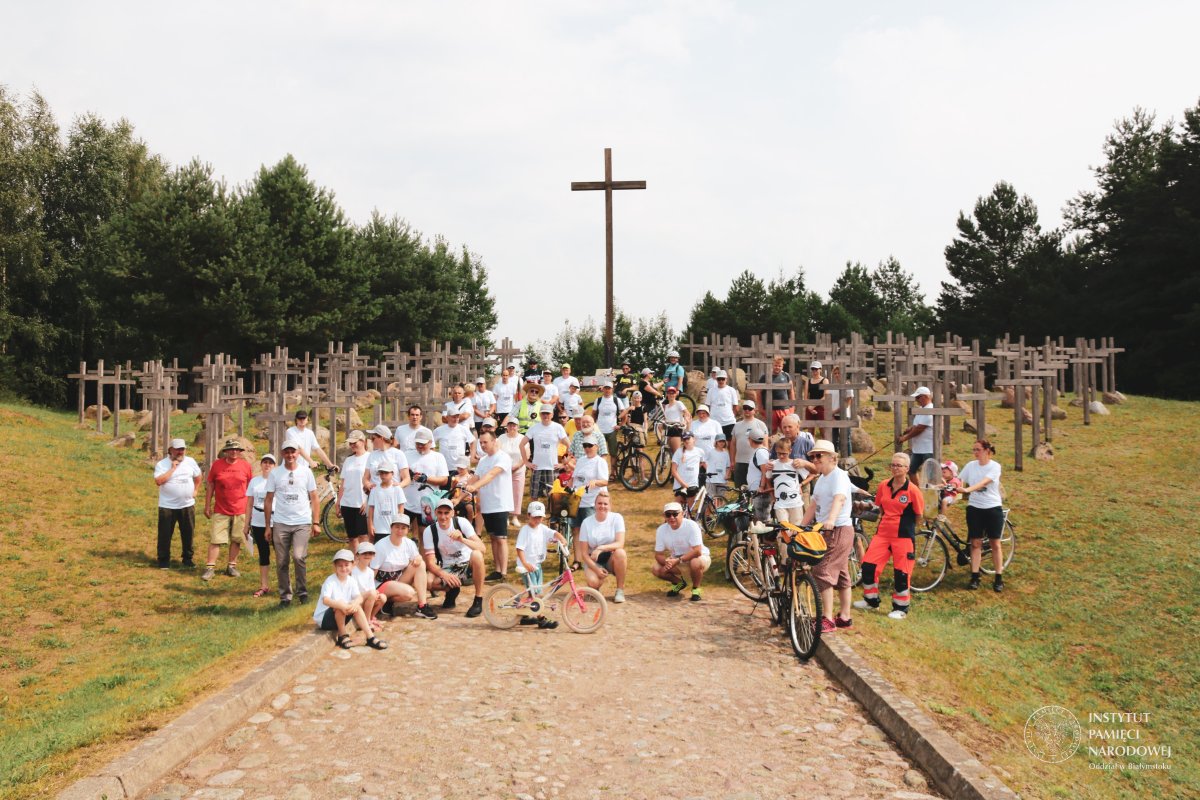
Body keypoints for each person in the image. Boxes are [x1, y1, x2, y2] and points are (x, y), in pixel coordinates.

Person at [854, 451, 924, 619]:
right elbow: (878, 506)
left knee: (902, 573)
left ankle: (901, 608)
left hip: (903, 536)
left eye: (899, 465)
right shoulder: (884, 485)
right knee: (868, 566)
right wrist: (863, 505)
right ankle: (871, 601)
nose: (895, 468)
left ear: (907, 468)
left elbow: (919, 515)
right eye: (892, 465)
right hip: (883, 533)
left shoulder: (913, 490)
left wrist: (908, 528)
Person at [800, 439, 856, 633]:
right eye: (813, 456)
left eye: (819, 455)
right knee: (841, 573)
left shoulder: (839, 476)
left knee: (822, 570)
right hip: (828, 530)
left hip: (838, 529)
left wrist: (831, 519)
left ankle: (828, 619)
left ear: (832, 458)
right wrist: (800, 526)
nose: (815, 459)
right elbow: (813, 505)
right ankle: (845, 617)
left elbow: (839, 499)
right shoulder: (822, 478)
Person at [264, 437, 320, 607]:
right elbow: (268, 499)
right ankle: (285, 596)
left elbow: (314, 497)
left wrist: (316, 522)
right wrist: (268, 526)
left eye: (293, 452)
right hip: (280, 522)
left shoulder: (306, 472)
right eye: (287, 452)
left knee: (298, 556)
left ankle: (302, 592)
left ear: (298, 453)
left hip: (301, 522)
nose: (290, 455)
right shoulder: (275, 473)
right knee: (281, 561)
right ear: (282, 453)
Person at [463, 429, 515, 581]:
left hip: (500, 504)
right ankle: (497, 570)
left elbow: (491, 475)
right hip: (487, 505)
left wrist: (474, 486)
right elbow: (475, 477)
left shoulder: (503, 457)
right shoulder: (483, 460)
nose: (483, 445)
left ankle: (503, 573)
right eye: (481, 443)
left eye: (485, 442)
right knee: (492, 538)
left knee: (501, 539)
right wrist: (460, 493)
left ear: (494, 441)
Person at [313, 549, 388, 651]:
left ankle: (370, 637)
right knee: (340, 605)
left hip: (343, 614)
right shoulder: (330, 581)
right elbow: (325, 600)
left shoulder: (351, 580)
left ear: (353, 565)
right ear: (335, 566)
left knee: (356, 605)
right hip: (325, 620)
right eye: (340, 566)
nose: (343, 568)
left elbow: (359, 597)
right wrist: (341, 605)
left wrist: (355, 603)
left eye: (346, 565)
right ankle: (342, 635)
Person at [422, 498, 486, 617]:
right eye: (440, 513)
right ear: (435, 513)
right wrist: (444, 575)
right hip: (448, 566)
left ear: (452, 513)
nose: (443, 517)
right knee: (427, 582)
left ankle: (478, 600)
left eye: (446, 513)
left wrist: (462, 539)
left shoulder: (461, 522)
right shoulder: (429, 531)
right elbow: (430, 562)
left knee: (477, 555)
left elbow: (482, 548)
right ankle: (452, 590)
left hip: (467, 563)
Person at [201, 438, 253, 581]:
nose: (234, 452)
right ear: (226, 451)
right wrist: (207, 505)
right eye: (231, 449)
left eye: (237, 449)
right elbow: (211, 485)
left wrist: (251, 509)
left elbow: (250, 488)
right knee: (216, 538)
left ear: (240, 451)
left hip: (240, 509)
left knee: (237, 538)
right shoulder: (217, 465)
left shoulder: (246, 466)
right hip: (221, 508)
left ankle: (231, 566)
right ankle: (210, 567)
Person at [959, 439, 1006, 592]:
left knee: (995, 544)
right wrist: (948, 483)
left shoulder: (995, 466)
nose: (975, 453)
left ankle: (998, 577)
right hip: (974, 508)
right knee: (975, 543)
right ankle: (975, 576)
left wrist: (967, 490)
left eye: (978, 449)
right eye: (974, 450)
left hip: (992, 508)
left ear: (987, 451)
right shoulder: (970, 466)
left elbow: (984, 482)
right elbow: (959, 480)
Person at [372, 516, 438, 620]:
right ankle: (384, 602)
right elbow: (372, 571)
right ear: (391, 528)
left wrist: (419, 557)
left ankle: (422, 606)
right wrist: (370, 593)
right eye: (397, 527)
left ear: (408, 530)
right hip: (381, 584)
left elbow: (417, 557)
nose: (400, 530)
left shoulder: (409, 543)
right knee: (409, 593)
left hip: (398, 579)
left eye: (403, 528)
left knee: (420, 564)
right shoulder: (381, 546)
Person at [514, 501, 568, 628]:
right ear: (528, 515)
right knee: (535, 594)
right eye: (535, 517)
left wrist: (561, 538)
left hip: (537, 566)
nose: (537, 520)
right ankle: (541, 619)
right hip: (527, 567)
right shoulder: (525, 530)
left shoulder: (542, 529)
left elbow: (553, 533)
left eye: (540, 517)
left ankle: (524, 616)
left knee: (535, 591)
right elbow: (519, 549)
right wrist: (525, 563)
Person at [153, 437, 203, 569]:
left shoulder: (190, 461)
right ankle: (163, 560)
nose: (180, 452)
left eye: (182, 449)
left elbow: (198, 476)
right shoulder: (162, 464)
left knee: (188, 533)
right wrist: (172, 469)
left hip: (187, 505)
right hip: (167, 506)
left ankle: (187, 559)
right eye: (177, 449)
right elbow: (158, 481)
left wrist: (196, 490)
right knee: (165, 534)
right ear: (170, 450)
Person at [651, 501, 711, 601]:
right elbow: (658, 554)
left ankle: (696, 590)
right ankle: (679, 583)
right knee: (656, 569)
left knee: (695, 562)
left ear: (682, 514)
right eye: (668, 514)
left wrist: (678, 560)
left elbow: (697, 551)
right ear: (664, 516)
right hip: (677, 561)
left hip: (698, 558)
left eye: (675, 514)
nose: (671, 517)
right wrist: (666, 562)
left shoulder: (691, 525)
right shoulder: (661, 530)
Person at [577, 490, 627, 602]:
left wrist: (600, 548)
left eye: (605, 504)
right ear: (595, 505)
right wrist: (596, 569)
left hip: (610, 557)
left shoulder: (617, 518)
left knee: (621, 553)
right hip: (593, 559)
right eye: (599, 503)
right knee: (594, 582)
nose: (602, 506)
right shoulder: (586, 523)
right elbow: (584, 554)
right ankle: (595, 588)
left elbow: (620, 543)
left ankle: (620, 590)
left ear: (610, 506)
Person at [521, 403, 569, 501]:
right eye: (543, 413)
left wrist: (564, 463)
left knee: (553, 496)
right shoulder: (534, 428)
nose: (545, 415)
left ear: (552, 415)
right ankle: (534, 510)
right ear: (540, 414)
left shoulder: (558, 427)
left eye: (548, 413)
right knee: (534, 496)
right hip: (537, 467)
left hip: (552, 467)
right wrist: (526, 462)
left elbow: (570, 445)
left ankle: (550, 511)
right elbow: (521, 445)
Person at [244, 453, 276, 598]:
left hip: (275, 520)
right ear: (261, 464)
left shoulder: (277, 481)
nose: (267, 465)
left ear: (274, 466)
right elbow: (249, 503)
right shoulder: (254, 481)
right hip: (258, 521)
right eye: (265, 462)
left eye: (270, 463)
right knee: (263, 553)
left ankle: (284, 585)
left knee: (281, 553)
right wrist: (246, 524)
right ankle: (264, 585)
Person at [405, 429, 449, 526]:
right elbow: (399, 475)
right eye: (418, 443)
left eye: (423, 443)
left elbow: (444, 480)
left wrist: (426, 479)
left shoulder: (438, 457)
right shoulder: (406, 455)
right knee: (401, 530)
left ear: (430, 442)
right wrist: (408, 474)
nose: (420, 446)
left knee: (425, 532)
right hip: (407, 503)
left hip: (428, 504)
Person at [335, 429, 370, 550]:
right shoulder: (348, 460)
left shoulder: (370, 458)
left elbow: (374, 482)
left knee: (364, 536)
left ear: (363, 441)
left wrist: (368, 500)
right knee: (352, 537)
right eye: (350, 443)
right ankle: (355, 559)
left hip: (362, 503)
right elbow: (343, 482)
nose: (352, 445)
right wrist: (339, 501)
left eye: (355, 442)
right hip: (347, 503)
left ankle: (365, 558)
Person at [763, 436, 806, 524]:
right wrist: (772, 495)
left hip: (795, 502)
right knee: (784, 528)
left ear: (790, 451)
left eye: (784, 453)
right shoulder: (772, 464)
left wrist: (801, 485)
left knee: (796, 528)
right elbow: (767, 478)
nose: (781, 456)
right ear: (775, 451)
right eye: (779, 453)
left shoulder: (795, 463)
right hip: (780, 504)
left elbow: (810, 474)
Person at [898, 386, 935, 483]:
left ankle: (938, 490)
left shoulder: (931, 410)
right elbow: (917, 425)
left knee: (931, 475)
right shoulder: (921, 409)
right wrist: (910, 428)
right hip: (918, 448)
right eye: (916, 398)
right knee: (911, 470)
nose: (916, 400)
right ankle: (917, 490)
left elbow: (920, 428)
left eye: (918, 397)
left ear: (925, 397)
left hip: (928, 448)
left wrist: (905, 438)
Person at [571, 434, 610, 527]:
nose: (587, 448)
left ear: (596, 447)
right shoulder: (580, 460)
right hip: (576, 501)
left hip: (590, 502)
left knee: (590, 529)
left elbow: (605, 482)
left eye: (590, 445)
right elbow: (573, 478)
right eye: (585, 446)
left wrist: (595, 482)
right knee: (575, 529)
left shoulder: (600, 461)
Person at [729, 399, 769, 488]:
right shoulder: (737, 425)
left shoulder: (761, 424)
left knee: (754, 488)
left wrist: (765, 461)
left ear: (754, 410)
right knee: (740, 488)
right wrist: (732, 461)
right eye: (745, 408)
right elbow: (733, 444)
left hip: (755, 462)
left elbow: (765, 445)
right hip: (740, 462)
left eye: (750, 408)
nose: (747, 410)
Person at [365, 424, 411, 495]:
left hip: (393, 495)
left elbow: (407, 479)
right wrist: (368, 484)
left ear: (381, 438)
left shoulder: (398, 454)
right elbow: (365, 478)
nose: (371, 441)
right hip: (375, 496)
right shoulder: (372, 455)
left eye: (373, 438)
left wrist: (398, 486)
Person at [350, 540, 386, 630]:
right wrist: (371, 593)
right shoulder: (353, 571)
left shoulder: (370, 572)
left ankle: (370, 617)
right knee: (372, 593)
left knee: (383, 597)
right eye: (364, 553)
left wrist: (376, 594)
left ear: (373, 556)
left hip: (367, 599)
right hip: (356, 600)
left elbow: (371, 588)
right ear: (357, 555)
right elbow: (353, 592)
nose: (367, 555)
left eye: (370, 553)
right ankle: (366, 622)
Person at [592, 381, 627, 471]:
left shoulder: (616, 400)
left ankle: (613, 473)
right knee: (599, 453)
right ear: (603, 389)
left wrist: (621, 425)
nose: (607, 390)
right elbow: (594, 414)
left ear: (612, 389)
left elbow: (624, 413)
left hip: (612, 430)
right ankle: (600, 472)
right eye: (606, 388)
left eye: (609, 388)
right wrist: (593, 426)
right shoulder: (598, 400)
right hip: (599, 431)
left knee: (613, 453)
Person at [499, 417, 527, 528]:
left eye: (514, 425)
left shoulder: (523, 438)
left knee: (517, 493)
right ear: (507, 426)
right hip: (504, 470)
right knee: (504, 493)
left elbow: (526, 455)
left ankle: (515, 517)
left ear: (518, 427)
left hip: (518, 470)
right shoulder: (501, 438)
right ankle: (505, 516)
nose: (512, 427)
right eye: (510, 425)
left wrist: (516, 466)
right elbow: (498, 453)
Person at [366, 461, 405, 542]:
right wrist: (370, 525)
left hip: (392, 528)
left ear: (392, 473)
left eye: (386, 473)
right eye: (381, 473)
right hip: (378, 528)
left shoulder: (397, 489)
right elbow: (371, 509)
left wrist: (398, 525)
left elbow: (401, 508)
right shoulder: (374, 490)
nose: (383, 475)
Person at [755, 356, 796, 433]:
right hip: (770, 409)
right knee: (771, 431)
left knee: (786, 430)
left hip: (784, 408)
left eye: (779, 366)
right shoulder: (765, 377)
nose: (777, 367)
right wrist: (760, 407)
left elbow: (791, 391)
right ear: (772, 365)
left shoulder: (786, 376)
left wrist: (792, 406)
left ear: (782, 366)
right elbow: (759, 392)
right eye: (775, 365)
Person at [433, 403, 475, 468]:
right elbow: (431, 443)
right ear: (447, 417)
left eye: (457, 417)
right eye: (453, 417)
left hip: (460, 467)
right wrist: (434, 457)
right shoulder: (439, 430)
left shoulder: (463, 429)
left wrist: (472, 456)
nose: (456, 419)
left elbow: (473, 441)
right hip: (444, 466)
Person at [670, 431, 705, 505]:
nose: (686, 441)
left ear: (694, 439)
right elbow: (673, 470)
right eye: (684, 439)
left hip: (693, 484)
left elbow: (703, 463)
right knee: (676, 508)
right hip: (680, 485)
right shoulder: (679, 452)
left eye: (688, 438)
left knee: (689, 509)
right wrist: (683, 484)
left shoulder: (700, 451)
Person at [744, 430, 772, 521]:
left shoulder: (760, 452)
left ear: (751, 440)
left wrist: (761, 487)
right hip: (756, 491)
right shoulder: (759, 451)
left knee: (762, 519)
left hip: (760, 493)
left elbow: (765, 471)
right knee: (757, 517)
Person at [708, 369, 739, 441]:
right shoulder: (711, 390)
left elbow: (735, 406)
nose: (721, 381)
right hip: (714, 421)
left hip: (729, 422)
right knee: (715, 442)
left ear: (726, 379)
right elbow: (708, 405)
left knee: (730, 442)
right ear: (716, 379)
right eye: (719, 379)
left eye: (723, 379)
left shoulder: (731, 390)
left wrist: (731, 416)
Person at [660, 385, 691, 455]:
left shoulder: (678, 403)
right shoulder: (666, 406)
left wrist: (685, 421)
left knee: (676, 453)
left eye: (673, 393)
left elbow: (687, 413)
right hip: (668, 428)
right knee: (670, 452)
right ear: (667, 394)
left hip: (676, 428)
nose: (671, 395)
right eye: (669, 393)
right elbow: (666, 417)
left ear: (675, 394)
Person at [802, 361, 830, 430]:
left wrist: (813, 406)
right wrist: (809, 407)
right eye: (813, 369)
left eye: (816, 369)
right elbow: (805, 397)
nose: (814, 371)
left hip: (821, 407)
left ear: (820, 369)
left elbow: (825, 396)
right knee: (810, 430)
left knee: (823, 430)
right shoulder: (808, 381)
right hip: (810, 407)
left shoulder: (825, 380)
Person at [704, 433, 731, 498]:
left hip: (722, 480)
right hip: (711, 480)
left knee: (721, 498)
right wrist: (708, 470)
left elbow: (728, 466)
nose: (721, 443)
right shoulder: (710, 451)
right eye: (720, 441)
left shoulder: (726, 453)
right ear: (716, 442)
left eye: (723, 441)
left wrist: (727, 475)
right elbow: (703, 461)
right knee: (710, 498)